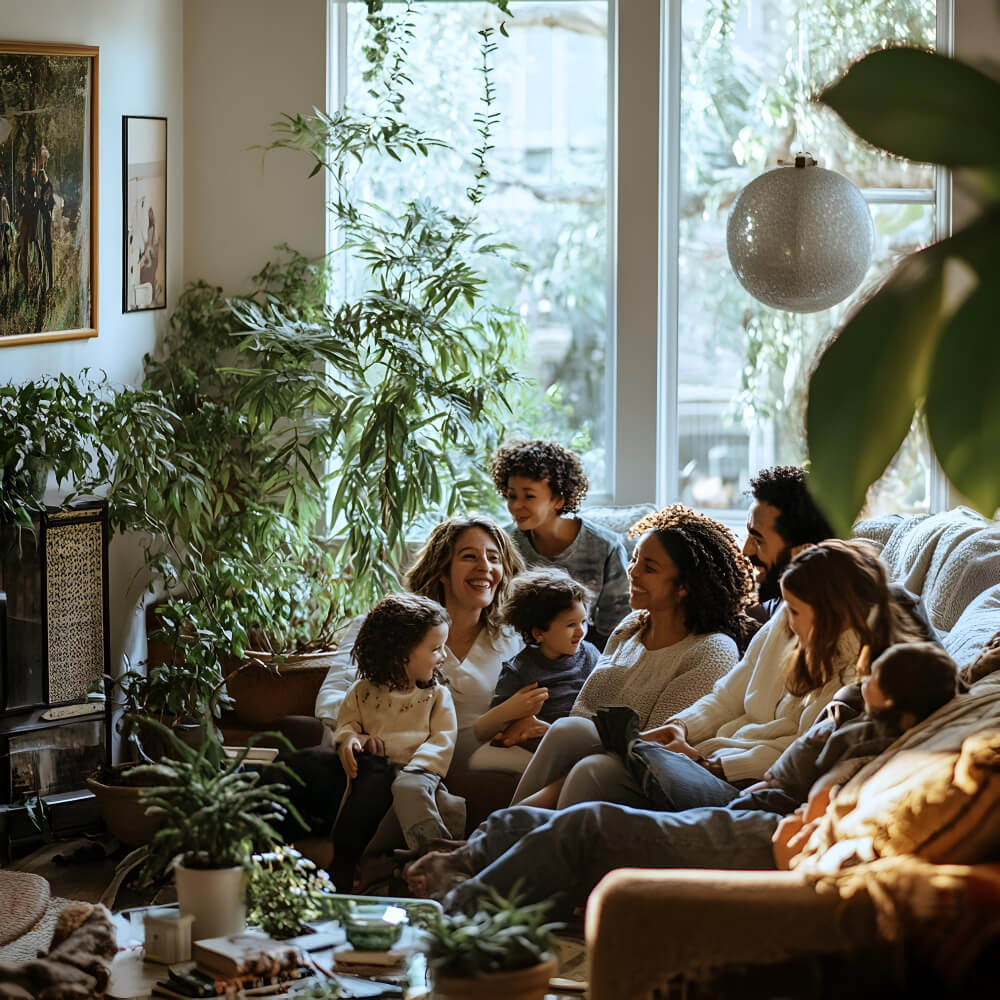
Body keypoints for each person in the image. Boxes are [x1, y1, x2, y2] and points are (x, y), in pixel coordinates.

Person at [405, 640, 958, 916]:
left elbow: (828, 810)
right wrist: (853, 701)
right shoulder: (863, 714)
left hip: (768, 836)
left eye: (876, 702)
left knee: (586, 824)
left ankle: (453, 920)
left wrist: (717, 760)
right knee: (519, 818)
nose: (863, 701)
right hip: (753, 804)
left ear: (905, 716)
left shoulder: (895, 754)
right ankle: (454, 866)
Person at [510, 505, 757, 810]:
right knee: (567, 729)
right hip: (598, 748)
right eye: (636, 558)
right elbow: (582, 714)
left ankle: (503, 831)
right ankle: (501, 834)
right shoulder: (631, 626)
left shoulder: (712, 650)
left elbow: (654, 746)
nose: (633, 570)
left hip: (650, 771)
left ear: (683, 588)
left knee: (589, 769)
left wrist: (545, 796)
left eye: (649, 567)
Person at [314, 516, 525, 769]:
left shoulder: (513, 639)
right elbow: (331, 697)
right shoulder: (384, 625)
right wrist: (356, 733)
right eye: (469, 556)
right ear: (442, 570)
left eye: (494, 558)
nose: (485, 567)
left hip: (477, 761)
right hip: (386, 761)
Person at [324, 594, 462, 889]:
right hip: (374, 777)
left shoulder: (435, 696)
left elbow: (443, 737)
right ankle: (380, 871)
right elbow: (347, 724)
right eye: (436, 648)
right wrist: (351, 740)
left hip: (418, 775)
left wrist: (419, 769)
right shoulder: (362, 691)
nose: (444, 656)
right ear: (401, 654)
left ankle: (439, 861)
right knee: (367, 811)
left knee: (405, 788)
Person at [491, 439, 629, 650]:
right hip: (517, 655)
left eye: (529, 496)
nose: (516, 505)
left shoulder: (605, 547)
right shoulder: (503, 543)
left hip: (583, 653)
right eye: (512, 496)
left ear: (558, 500)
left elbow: (616, 628)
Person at [468, 568, 600, 773]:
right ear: (539, 633)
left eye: (583, 622)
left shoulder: (590, 654)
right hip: (539, 745)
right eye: (571, 625)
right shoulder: (519, 670)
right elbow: (500, 719)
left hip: (580, 735)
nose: (581, 631)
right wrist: (516, 726)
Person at [741, 465, 835, 619]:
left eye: (758, 540)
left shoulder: (823, 622)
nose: (745, 551)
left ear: (805, 550)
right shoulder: (776, 603)